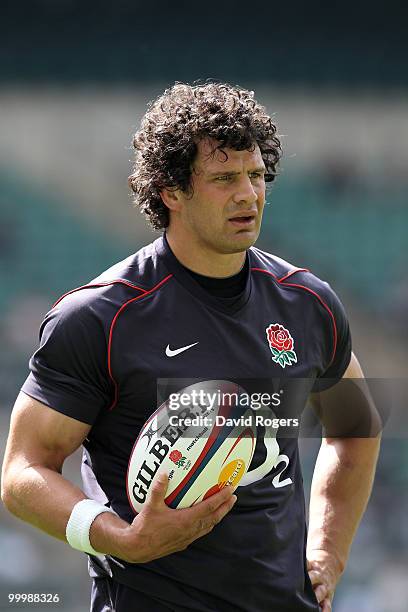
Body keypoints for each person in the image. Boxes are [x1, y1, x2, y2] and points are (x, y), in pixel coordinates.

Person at [1, 82, 380, 612]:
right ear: (170, 191)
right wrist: (118, 537)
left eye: (255, 175)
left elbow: (357, 427)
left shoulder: (308, 303)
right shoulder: (99, 318)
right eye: (224, 179)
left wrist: (327, 550)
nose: (248, 195)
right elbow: (22, 473)